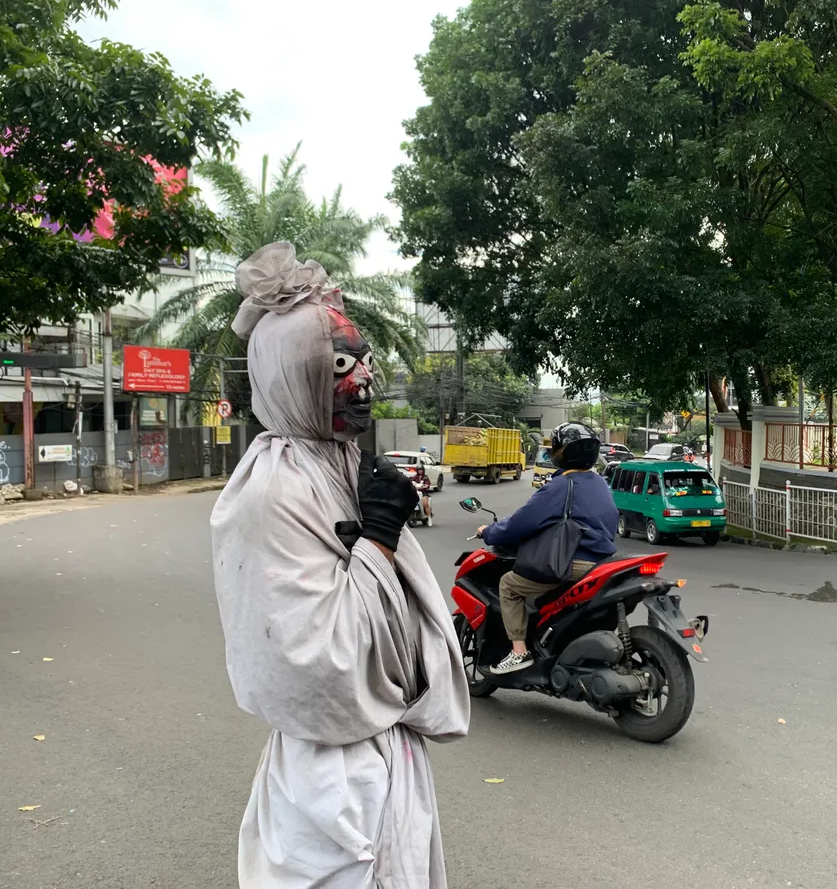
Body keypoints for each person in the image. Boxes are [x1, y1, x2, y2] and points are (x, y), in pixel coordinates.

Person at [210, 241, 470, 889]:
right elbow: (315, 664)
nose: (366, 380)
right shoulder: (271, 492)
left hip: (391, 756)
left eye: (368, 360)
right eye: (344, 363)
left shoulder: (344, 463)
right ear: (292, 375)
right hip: (328, 780)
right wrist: (380, 537)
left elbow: (401, 625)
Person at [477, 421, 619, 675]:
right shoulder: (600, 484)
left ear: (560, 452)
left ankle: (519, 652)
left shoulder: (561, 486)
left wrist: (489, 532)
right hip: (603, 563)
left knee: (509, 585)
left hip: (571, 563)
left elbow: (521, 522)